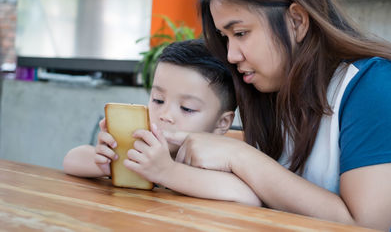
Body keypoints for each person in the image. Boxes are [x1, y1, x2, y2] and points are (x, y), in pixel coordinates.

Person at [159, 0, 391, 231]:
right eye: (224, 38)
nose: (231, 55)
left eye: (240, 33)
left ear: (296, 21)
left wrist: (240, 157)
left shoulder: (377, 85)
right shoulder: (271, 91)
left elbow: (365, 224)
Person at [63, 39, 261, 206]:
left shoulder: (217, 161)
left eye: (187, 108)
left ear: (222, 123)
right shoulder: (140, 149)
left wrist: (167, 171)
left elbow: (247, 196)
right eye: (158, 100)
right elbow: (71, 160)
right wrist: (105, 163)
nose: (165, 115)